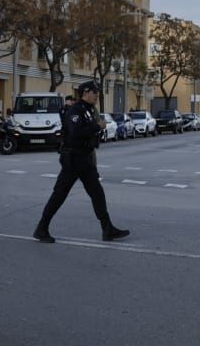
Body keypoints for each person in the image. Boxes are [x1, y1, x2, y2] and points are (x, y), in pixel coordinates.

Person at [34, 81, 129, 244]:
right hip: (73, 159)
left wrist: (96, 129)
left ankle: (107, 229)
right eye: (95, 93)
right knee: (60, 194)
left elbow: (90, 132)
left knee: (97, 193)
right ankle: (42, 228)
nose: (97, 96)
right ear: (86, 92)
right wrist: (96, 126)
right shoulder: (75, 110)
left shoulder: (88, 110)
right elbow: (76, 132)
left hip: (85, 159)